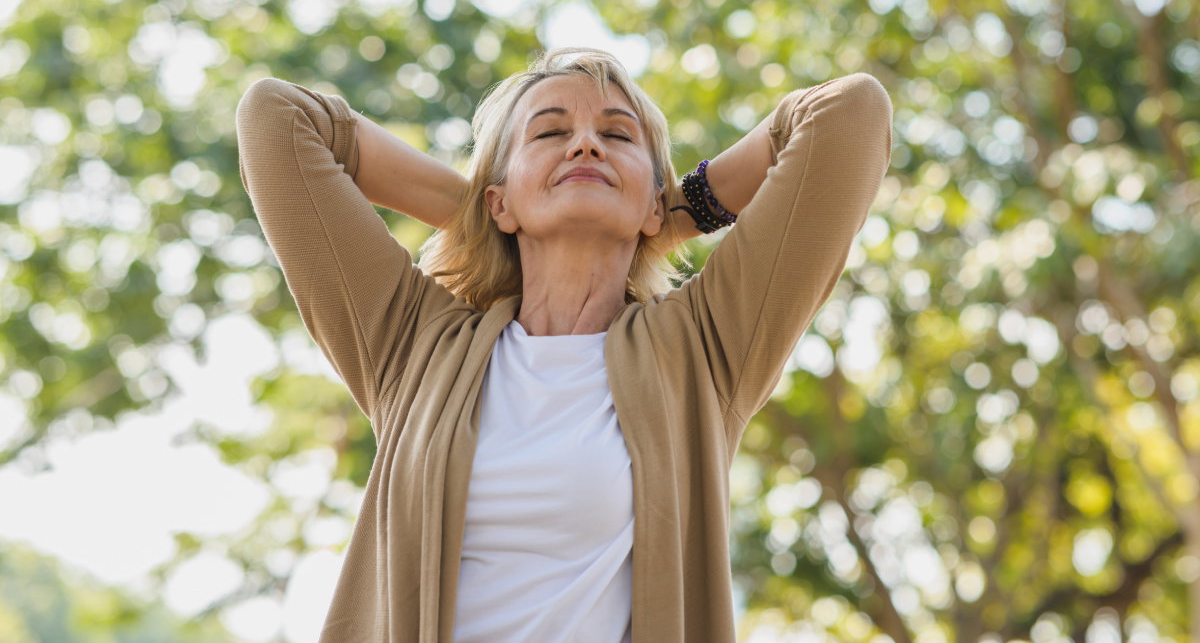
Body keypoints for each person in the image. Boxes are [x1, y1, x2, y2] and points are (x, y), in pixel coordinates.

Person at [235, 46, 893, 642]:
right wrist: (484, 216)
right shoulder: (413, 343)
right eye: (550, 133)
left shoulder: (703, 347)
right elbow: (278, 119)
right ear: (499, 201)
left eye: (615, 135)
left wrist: (667, 215)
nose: (584, 146)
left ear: (653, 203)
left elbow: (849, 115)